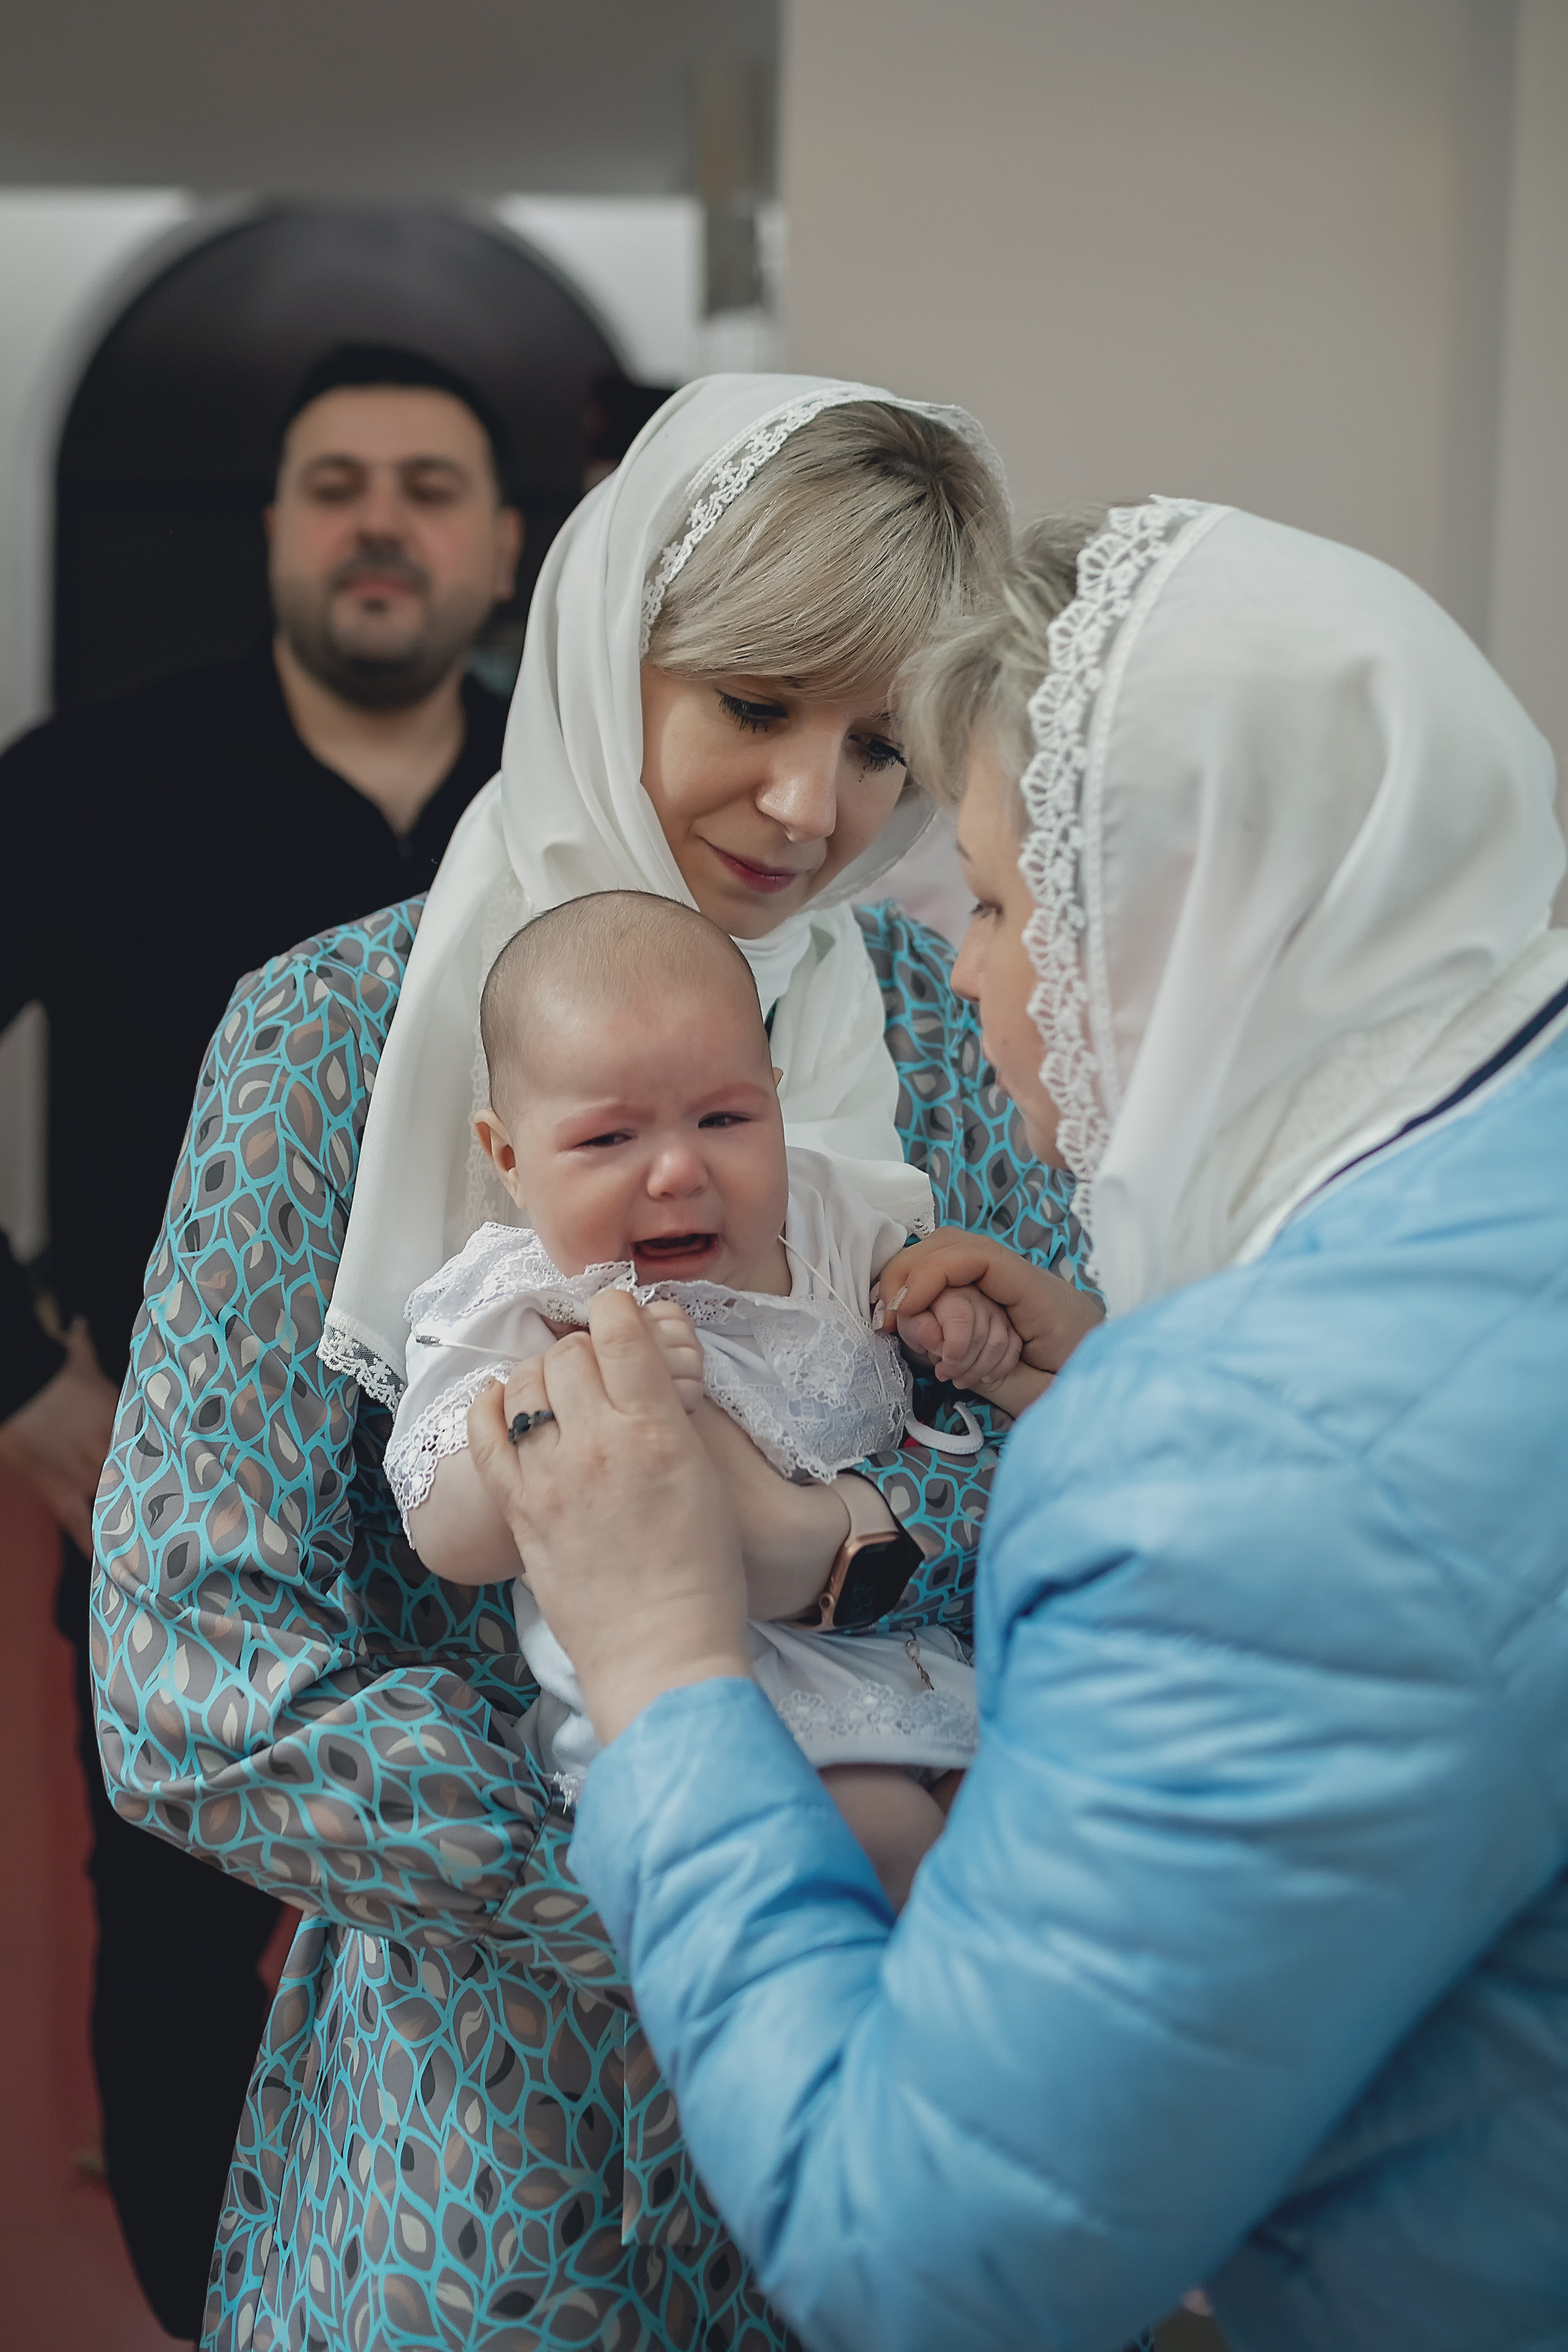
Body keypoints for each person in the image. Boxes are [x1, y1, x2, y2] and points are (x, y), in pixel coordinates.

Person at [469, 500, 1568, 2352]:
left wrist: (659, 1665)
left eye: (990, 900)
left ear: (1182, 921)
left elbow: (933, 2264)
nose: (969, 973)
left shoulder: (1243, 1458)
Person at [92, 375, 1102, 2352]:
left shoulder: (943, 1018)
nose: (816, 806)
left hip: (903, 2083)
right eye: (753, 705)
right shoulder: (332, 1032)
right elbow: (193, 1663)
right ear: (606, 630)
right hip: (474, 2128)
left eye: (883, 742)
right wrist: (675, 1866)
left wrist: (822, 1539)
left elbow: (1085, 1512)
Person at [1, 338, 519, 2337]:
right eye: (333, 483)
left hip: (527, 1512)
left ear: (497, 550)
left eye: (426, 483)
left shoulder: (579, 806)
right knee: (172, 1951)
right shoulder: (94, 782)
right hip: (190, 1503)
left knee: (497, 1949)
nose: (378, 518)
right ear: (280, 536)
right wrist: (36, 1399)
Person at [391, 891, 1004, 1904]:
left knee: (1027, 1819)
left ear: (776, 1093)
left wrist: (951, 1320)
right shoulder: (523, 1301)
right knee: (882, 1840)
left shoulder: (827, 1214)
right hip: (710, 1703)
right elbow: (443, 1531)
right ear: (508, 1157)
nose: (678, 1170)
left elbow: (916, 1290)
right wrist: (576, 1402)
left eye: (725, 1118)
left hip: (910, 1667)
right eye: (608, 1142)